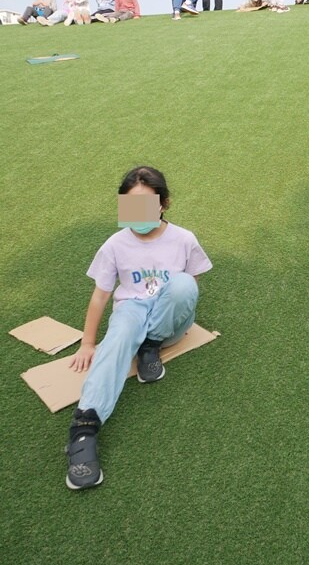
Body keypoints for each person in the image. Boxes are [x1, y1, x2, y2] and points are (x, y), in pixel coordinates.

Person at [65, 167, 212, 490]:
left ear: (164, 204)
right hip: (131, 311)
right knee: (118, 337)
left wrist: (161, 318)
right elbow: (101, 295)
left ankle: (151, 345)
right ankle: (84, 426)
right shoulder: (115, 245)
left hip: (168, 326)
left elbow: (190, 288)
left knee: (184, 285)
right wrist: (88, 342)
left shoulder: (184, 239)